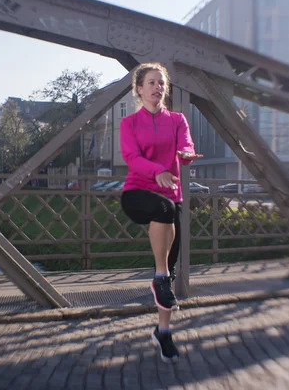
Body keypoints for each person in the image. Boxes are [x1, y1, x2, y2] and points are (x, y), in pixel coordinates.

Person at [119, 62, 202, 363]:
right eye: (151, 82)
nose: (158, 87)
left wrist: (185, 155)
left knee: (171, 267)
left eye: (161, 83)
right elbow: (131, 157)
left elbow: (185, 143)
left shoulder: (178, 120)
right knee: (163, 213)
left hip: (171, 196)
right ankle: (159, 275)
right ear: (139, 89)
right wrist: (158, 172)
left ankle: (163, 332)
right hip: (138, 193)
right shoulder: (128, 124)